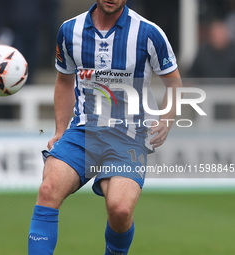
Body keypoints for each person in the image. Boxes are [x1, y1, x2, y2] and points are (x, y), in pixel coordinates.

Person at [28, 0, 182, 254]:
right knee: (48, 190)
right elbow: (64, 82)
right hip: (83, 131)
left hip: (128, 136)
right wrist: (59, 130)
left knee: (120, 210)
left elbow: (174, 84)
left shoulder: (148, 33)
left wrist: (167, 119)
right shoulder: (69, 30)